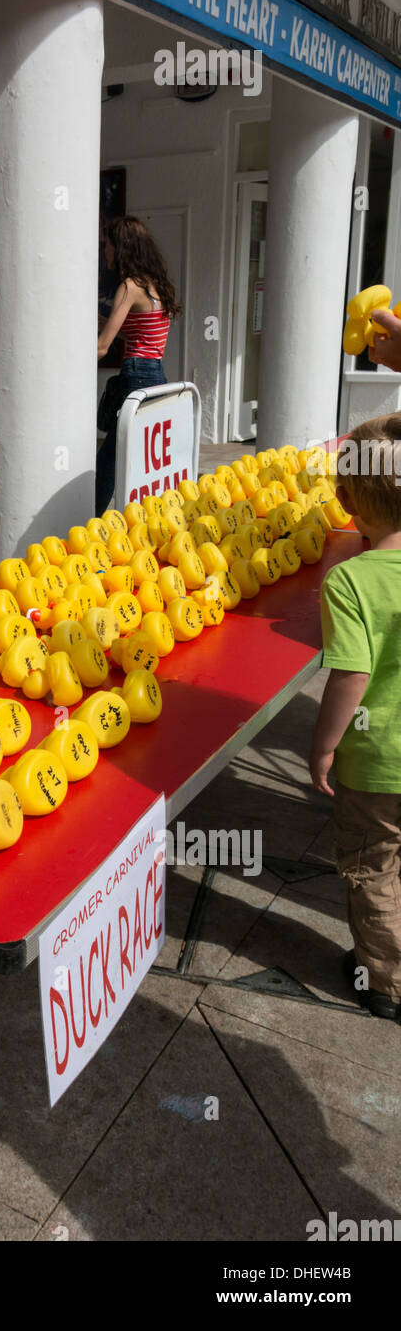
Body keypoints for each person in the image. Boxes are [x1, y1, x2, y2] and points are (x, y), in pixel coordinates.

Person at [309, 413, 401, 1020]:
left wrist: (323, 745)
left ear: (346, 502)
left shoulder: (348, 581)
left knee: (371, 868)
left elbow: (351, 676)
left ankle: (386, 982)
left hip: (375, 766)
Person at [95, 216, 181, 515]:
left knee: (111, 455)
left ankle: (91, 519)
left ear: (121, 248)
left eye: (107, 245)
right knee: (143, 454)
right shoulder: (156, 285)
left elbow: (102, 347)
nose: (104, 251)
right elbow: (145, 333)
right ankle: (147, 515)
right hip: (156, 374)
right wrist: (110, 323)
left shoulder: (129, 286)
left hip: (135, 376)